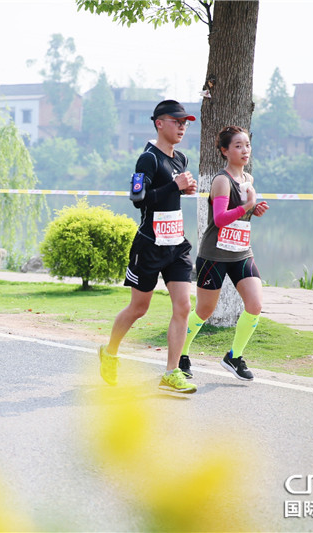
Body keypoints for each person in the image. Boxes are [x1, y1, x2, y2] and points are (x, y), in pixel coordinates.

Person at [98, 100, 198, 394]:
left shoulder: (181, 158)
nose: (182, 127)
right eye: (177, 121)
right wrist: (174, 187)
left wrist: (184, 188)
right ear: (159, 123)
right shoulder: (148, 159)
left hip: (176, 244)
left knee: (183, 305)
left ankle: (171, 372)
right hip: (150, 244)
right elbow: (138, 198)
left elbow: (172, 192)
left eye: (186, 123)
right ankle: (110, 352)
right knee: (139, 308)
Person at [178, 125, 269, 381]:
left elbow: (240, 214)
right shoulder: (221, 180)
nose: (244, 150)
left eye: (247, 145)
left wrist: (254, 210)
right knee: (204, 311)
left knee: (255, 304)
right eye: (238, 146)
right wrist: (248, 205)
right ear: (224, 151)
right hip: (214, 255)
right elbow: (219, 219)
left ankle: (234, 356)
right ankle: (181, 354)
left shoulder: (248, 179)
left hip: (241, 253)